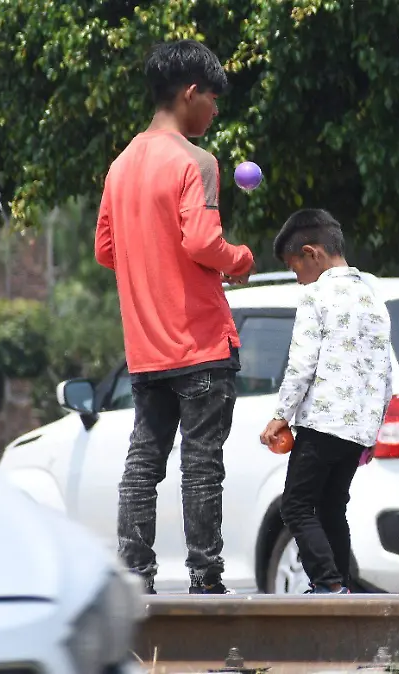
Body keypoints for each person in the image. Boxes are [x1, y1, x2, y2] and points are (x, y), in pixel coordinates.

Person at [94, 39, 255, 595]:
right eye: (212, 99)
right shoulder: (197, 162)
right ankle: (206, 581)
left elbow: (106, 250)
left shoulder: (119, 167)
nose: (214, 111)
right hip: (201, 342)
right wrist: (240, 260)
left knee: (144, 462)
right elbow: (203, 240)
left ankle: (136, 578)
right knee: (202, 463)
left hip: (146, 349)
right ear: (190, 94)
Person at [259, 209, 393, 595]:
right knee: (332, 507)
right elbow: (386, 373)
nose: (297, 277)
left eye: (294, 266)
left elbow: (301, 365)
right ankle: (342, 586)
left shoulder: (316, 295)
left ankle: (329, 583)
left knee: (296, 506)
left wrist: (280, 416)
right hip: (357, 428)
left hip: (322, 423)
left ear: (312, 253)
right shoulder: (373, 296)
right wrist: (373, 429)